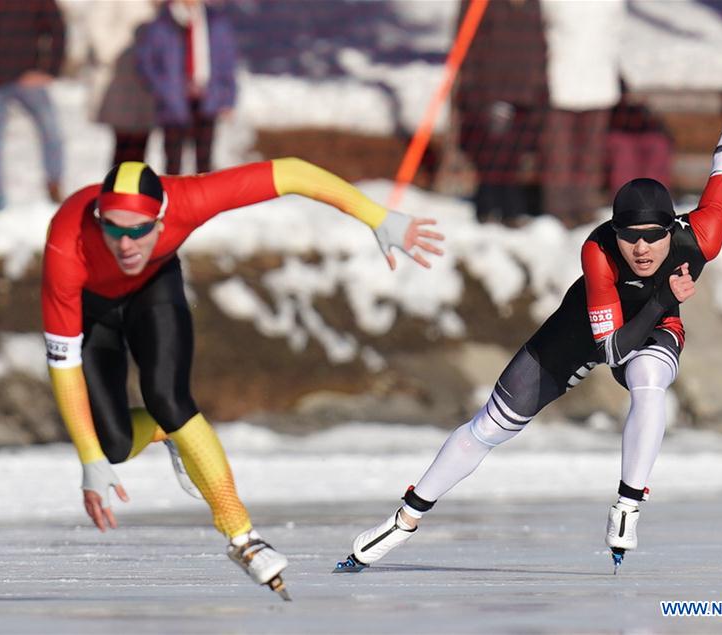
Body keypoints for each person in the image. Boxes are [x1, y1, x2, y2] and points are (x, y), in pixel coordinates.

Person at [342, 44, 722, 574]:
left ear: (672, 230)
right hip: (578, 334)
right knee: (488, 429)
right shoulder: (597, 250)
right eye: (629, 239)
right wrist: (664, 295)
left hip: (654, 326)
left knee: (650, 382)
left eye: (652, 239)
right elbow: (610, 348)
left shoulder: (702, 234)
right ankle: (404, 518)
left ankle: (628, 504)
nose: (641, 250)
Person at [41, 157, 444, 599]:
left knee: (169, 400)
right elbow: (64, 368)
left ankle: (244, 540)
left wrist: (377, 215)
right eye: (113, 229)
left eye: (138, 230)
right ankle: (168, 435)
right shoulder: (67, 242)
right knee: (111, 448)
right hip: (92, 309)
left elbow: (291, 173)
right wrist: (89, 458)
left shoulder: (190, 199)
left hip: (153, 292)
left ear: (162, 217)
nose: (125, 244)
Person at [0, 0, 66, 211]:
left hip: (27, 77)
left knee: (51, 131)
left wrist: (50, 69)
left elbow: (57, 28)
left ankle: (54, 185)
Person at [455, 0, 548, 226]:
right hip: (490, 87)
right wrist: (470, 88)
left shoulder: (534, 5)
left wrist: (539, 84)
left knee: (515, 153)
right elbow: (466, 42)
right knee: (492, 151)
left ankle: (509, 208)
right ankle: (490, 207)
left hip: (526, 90)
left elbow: (540, 42)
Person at [538, 0, 625, 227]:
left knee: (591, 152)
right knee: (560, 151)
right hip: (560, 80)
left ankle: (586, 205)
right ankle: (559, 209)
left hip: (598, 80)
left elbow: (615, 34)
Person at [136, 0, 237, 175]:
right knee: (173, 163)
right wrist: (164, 89)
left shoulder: (216, 22)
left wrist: (227, 95)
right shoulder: (162, 23)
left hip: (207, 98)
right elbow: (146, 62)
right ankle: (172, 201)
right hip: (173, 101)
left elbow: (227, 61)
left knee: (204, 163)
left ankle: (205, 202)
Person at [75, 0, 157, 166]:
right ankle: (118, 188)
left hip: (149, 80)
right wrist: (117, 56)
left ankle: (136, 188)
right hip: (120, 78)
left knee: (141, 141)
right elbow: (96, 27)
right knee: (125, 142)